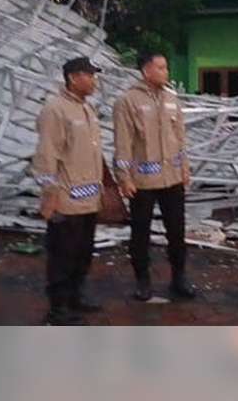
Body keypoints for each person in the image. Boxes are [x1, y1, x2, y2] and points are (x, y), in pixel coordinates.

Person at [113, 52, 195, 301]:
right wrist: (123, 177)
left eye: (166, 67)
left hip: (172, 179)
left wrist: (184, 168)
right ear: (146, 70)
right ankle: (143, 280)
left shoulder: (172, 98)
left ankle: (179, 278)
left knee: (177, 231)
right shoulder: (128, 101)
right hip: (142, 181)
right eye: (160, 67)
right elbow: (123, 143)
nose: (165, 72)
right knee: (140, 232)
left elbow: (180, 138)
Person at [31, 56, 104, 325]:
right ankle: (58, 308)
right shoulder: (55, 109)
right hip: (65, 199)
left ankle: (76, 297)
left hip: (88, 199)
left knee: (83, 252)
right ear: (74, 78)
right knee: (62, 255)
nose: (94, 81)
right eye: (90, 75)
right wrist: (50, 195)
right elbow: (46, 155)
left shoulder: (87, 109)